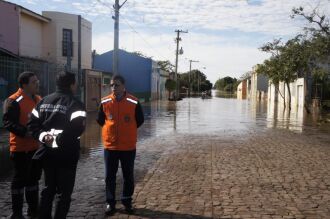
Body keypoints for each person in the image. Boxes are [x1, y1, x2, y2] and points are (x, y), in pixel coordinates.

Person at [27, 71, 86, 219]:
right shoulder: (76, 104)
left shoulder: (43, 101)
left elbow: (32, 124)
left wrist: (44, 137)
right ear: (72, 84)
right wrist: (56, 140)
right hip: (67, 155)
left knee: (48, 190)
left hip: (47, 154)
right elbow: (77, 130)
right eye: (75, 83)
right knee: (64, 194)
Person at [96, 75, 144, 215]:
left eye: (116, 85)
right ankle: (110, 203)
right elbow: (100, 120)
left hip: (128, 147)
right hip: (110, 147)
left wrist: (127, 132)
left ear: (123, 86)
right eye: (112, 85)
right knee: (109, 176)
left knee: (128, 175)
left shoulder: (133, 101)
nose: (113, 88)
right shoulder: (104, 102)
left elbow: (140, 120)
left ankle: (126, 201)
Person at [2, 71, 41, 219]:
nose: (37, 83)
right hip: (20, 149)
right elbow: (8, 122)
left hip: (36, 149)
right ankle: (17, 213)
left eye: (37, 81)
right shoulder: (13, 101)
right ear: (24, 85)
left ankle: (33, 210)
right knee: (19, 180)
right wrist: (25, 132)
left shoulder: (38, 99)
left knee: (34, 180)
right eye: (33, 82)